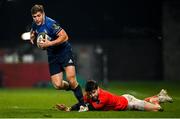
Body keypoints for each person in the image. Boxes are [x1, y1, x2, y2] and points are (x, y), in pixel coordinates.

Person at [30, 4, 87, 111]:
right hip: (52, 55)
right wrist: (32, 36)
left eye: (38, 16)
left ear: (43, 14)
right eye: (34, 16)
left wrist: (49, 44)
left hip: (64, 51)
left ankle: (83, 105)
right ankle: (74, 87)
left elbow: (65, 36)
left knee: (71, 78)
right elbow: (33, 30)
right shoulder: (35, 23)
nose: (36, 19)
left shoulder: (51, 24)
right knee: (57, 85)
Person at [56, 80, 173, 112]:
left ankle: (156, 100)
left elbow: (90, 108)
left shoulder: (103, 96)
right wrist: (69, 108)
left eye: (93, 92)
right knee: (147, 105)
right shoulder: (89, 96)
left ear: (97, 89)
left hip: (129, 104)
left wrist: (82, 108)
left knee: (157, 109)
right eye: (90, 93)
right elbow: (82, 104)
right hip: (125, 98)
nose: (91, 95)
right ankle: (160, 96)